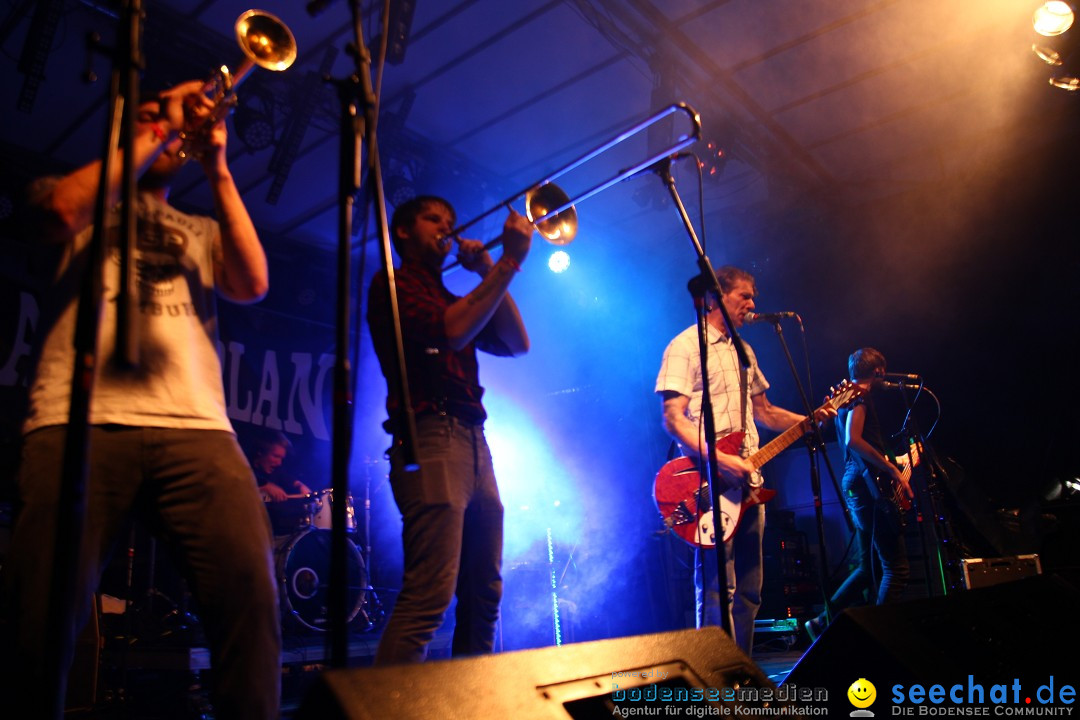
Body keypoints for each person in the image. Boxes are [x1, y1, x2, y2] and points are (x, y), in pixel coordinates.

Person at [0, 81, 281, 718]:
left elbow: (254, 282)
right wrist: (159, 128)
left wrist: (217, 166)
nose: (173, 126)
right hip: (79, 420)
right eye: (154, 117)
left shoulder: (201, 226)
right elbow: (54, 214)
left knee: (250, 607)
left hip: (200, 430)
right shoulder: (69, 194)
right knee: (39, 619)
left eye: (174, 120)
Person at [366, 195, 532, 664]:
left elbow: (518, 344)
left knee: (485, 594)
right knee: (430, 595)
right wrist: (510, 261)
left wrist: (489, 271)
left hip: (474, 440)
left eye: (450, 221)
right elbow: (452, 332)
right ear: (403, 231)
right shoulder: (394, 285)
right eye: (433, 219)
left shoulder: (455, 297)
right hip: (430, 433)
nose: (445, 227)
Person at [655, 265, 834, 655]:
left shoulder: (745, 351)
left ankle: (742, 673)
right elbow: (673, 419)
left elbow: (765, 411)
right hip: (710, 479)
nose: (753, 304)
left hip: (750, 479)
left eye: (754, 297)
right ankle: (714, 681)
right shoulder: (685, 346)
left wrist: (811, 420)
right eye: (746, 296)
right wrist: (717, 458)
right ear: (717, 297)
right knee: (719, 587)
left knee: (751, 589)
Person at [804, 347, 911, 641]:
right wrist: (890, 468)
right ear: (879, 372)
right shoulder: (860, 397)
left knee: (868, 567)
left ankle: (821, 622)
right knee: (896, 568)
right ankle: (881, 636)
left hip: (855, 482)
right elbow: (853, 439)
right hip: (867, 485)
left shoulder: (845, 397)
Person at [248, 430, 311, 502]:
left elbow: (290, 480)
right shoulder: (243, 469)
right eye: (276, 456)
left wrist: (300, 486)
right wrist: (265, 487)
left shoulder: (276, 472)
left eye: (281, 458)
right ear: (261, 452)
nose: (279, 463)